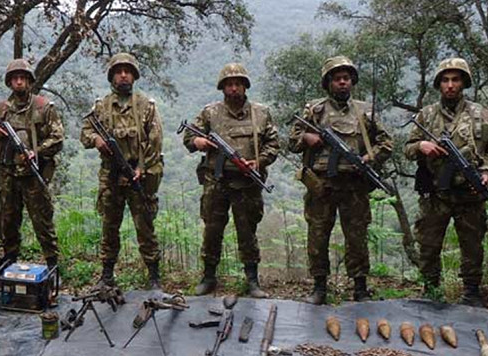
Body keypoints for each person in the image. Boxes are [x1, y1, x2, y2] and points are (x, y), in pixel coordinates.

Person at [288, 55, 393, 304]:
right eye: (337, 79)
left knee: (356, 236)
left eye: (346, 78)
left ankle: (359, 287)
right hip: (321, 184)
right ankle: (319, 287)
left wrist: (370, 157)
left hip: (354, 184)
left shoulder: (365, 111)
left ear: (352, 81)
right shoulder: (314, 110)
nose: (343, 83)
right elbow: (292, 142)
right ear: (328, 83)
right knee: (318, 234)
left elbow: (387, 143)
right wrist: (307, 139)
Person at [405, 58, 488, 307]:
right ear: (439, 84)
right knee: (428, 243)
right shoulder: (426, 115)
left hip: (469, 194)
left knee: (472, 245)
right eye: (445, 80)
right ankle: (431, 290)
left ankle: (471, 292)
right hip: (435, 193)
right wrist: (421, 146)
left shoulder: (483, 115)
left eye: (455, 79)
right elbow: (407, 148)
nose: (450, 85)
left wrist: (487, 173)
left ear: (464, 83)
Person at [182, 63, 279, 297]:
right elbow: (189, 136)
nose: (234, 88)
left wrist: (259, 162)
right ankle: (208, 277)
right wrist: (199, 143)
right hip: (217, 182)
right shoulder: (210, 112)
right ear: (222, 87)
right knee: (212, 231)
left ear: (245, 86)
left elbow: (274, 144)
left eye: (238, 84)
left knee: (247, 232)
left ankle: (252, 280)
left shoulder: (261, 113)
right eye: (229, 84)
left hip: (247, 184)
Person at [80, 53, 164, 290]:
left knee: (145, 227)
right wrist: (96, 140)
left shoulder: (146, 106)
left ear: (134, 75)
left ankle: (154, 277)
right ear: (112, 76)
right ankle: (107, 276)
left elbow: (155, 141)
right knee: (109, 227)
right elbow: (84, 133)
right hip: (111, 177)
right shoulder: (101, 107)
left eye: (128, 71)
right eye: (119, 71)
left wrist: (141, 167)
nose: (123, 75)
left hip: (139, 176)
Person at [0, 58, 63, 269]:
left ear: (29, 82)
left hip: (34, 175)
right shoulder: (1, 110)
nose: (19, 82)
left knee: (42, 222)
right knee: (7, 222)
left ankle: (52, 265)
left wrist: (37, 152)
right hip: (7, 174)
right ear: (9, 82)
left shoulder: (43, 107)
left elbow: (58, 138)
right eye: (15, 79)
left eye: (22, 79)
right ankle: (9, 263)